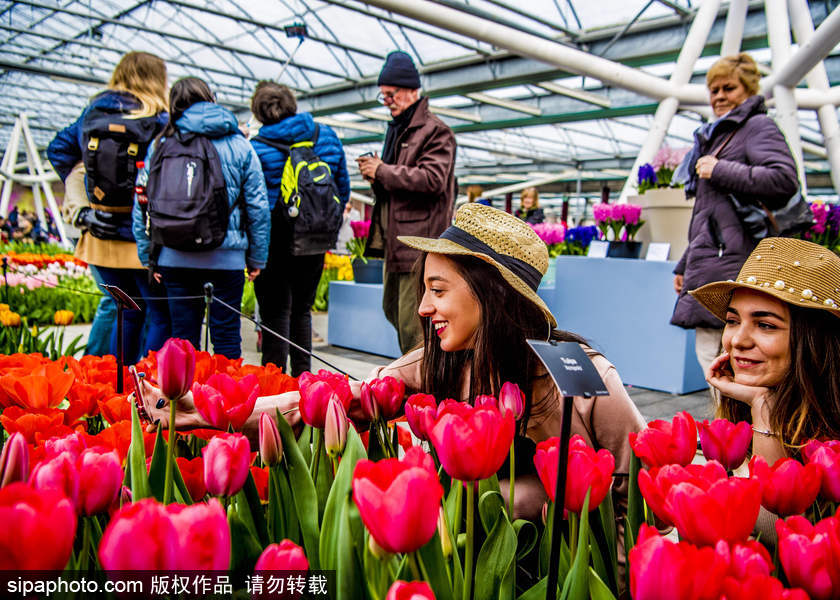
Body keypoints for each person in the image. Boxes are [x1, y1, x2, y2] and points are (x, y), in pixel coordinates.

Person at [136, 204, 645, 524]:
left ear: (492, 295)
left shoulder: (582, 379)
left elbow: (634, 496)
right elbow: (338, 402)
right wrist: (204, 410)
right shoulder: (440, 364)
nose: (422, 308)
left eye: (437, 290)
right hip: (466, 566)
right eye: (424, 289)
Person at [690, 236, 840, 534]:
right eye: (733, 321)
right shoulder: (755, 396)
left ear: (815, 338)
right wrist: (763, 409)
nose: (737, 341)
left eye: (765, 325)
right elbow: (773, 531)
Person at [670, 53, 799, 385]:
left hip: (737, 261)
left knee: (731, 357)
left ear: (749, 89)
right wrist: (685, 264)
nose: (719, 96)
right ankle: (728, 416)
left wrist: (720, 169)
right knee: (711, 354)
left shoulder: (756, 126)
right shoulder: (716, 135)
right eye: (714, 90)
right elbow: (708, 214)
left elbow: (784, 179)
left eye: (728, 88)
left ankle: (739, 417)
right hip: (715, 258)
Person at [132, 77, 270, 359]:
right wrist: (256, 258)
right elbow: (258, 206)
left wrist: (149, 256)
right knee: (227, 338)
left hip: (174, 256)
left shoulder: (161, 145)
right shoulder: (239, 144)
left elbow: (142, 204)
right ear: (210, 99)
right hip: (227, 257)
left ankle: (187, 389)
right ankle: (226, 388)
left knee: (183, 342)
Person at [48, 51, 171, 363]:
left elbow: (57, 150)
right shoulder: (159, 119)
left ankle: (115, 382)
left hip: (100, 234)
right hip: (143, 237)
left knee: (126, 311)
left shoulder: (93, 114)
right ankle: (150, 384)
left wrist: (89, 191)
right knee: (159, 315)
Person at [356, 51, 457, 354]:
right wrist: (377, 177)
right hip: (396, 245)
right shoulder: (399, 130)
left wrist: (382, 170)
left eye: (391, 94)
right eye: (383, 95)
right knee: (396, 314)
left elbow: (433, 179)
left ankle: (423, 382)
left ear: (412, 90)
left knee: (415, 329)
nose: (386, 101)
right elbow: (402, 182)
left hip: (418, 246)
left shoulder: (436, 131)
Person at [248, 80, 349, 375]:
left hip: (274, 241)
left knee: (274, 314)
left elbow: (254, 202)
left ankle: (275, 384)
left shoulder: (257, 147)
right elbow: (342, 189)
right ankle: (304, 382)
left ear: (259, 112)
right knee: (302, 311)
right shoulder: (326, 136)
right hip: (315, 237)